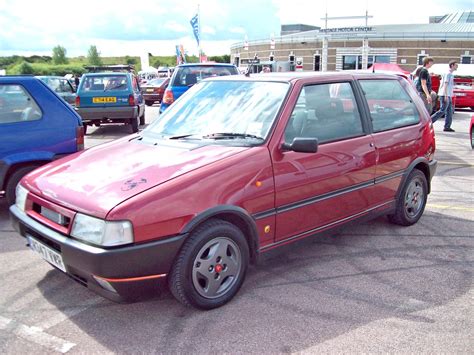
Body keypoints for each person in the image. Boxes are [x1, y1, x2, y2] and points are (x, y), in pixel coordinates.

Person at [431, 60, 458, 132]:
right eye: (456, 65)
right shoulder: (448, 74)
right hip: (444, 94)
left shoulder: (450, 74)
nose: (457, 67)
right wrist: (446, 95)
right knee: (442, 110)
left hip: (448, 95)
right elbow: (445, 85)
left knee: (449, 111)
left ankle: (447, 126)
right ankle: (429, 122)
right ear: (452, 65)